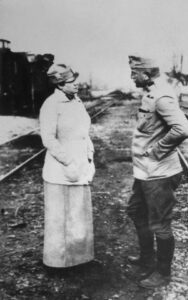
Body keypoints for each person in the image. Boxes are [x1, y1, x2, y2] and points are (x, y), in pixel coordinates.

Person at [126, 55, 188, 288]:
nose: (132, 76)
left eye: (135, 72)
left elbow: (182, 129)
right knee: (136, 211)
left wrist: (156, 151)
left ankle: (163, 274)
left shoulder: (161, 96)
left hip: (160, 173)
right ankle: (147, 259)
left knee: (160, 224)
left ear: (146, 73)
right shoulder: (151, 92)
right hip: (146, 172)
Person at [39, 64, 95, 270]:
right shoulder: (51, 104)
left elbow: (84, 132)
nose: (77, 84)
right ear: (61, 85)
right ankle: (58, 264)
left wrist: (90, 156)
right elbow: (48, 139)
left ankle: (81, 259)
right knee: (60, 219)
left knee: (79, 214)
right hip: (60, 170)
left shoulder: (77, 102)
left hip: (80, 166)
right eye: (72, 81)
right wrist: (68, 161)